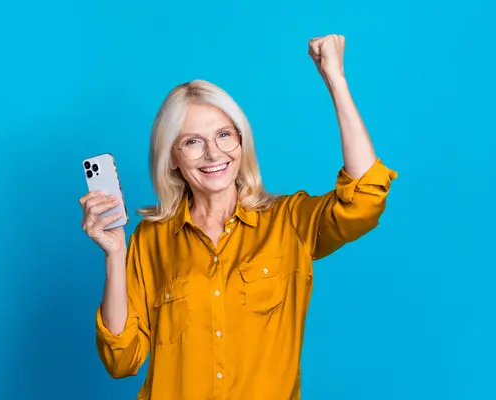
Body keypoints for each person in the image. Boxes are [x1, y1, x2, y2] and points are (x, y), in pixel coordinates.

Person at [79, 34, 397, 400]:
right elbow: (122, 360)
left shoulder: (287, 222)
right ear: (174, 159)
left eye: (225, 135)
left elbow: (365, 199)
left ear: (242, 142)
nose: (214, 153)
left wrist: (335, 80)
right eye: (193, 141)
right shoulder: (151, 240)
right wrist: (115, 254)